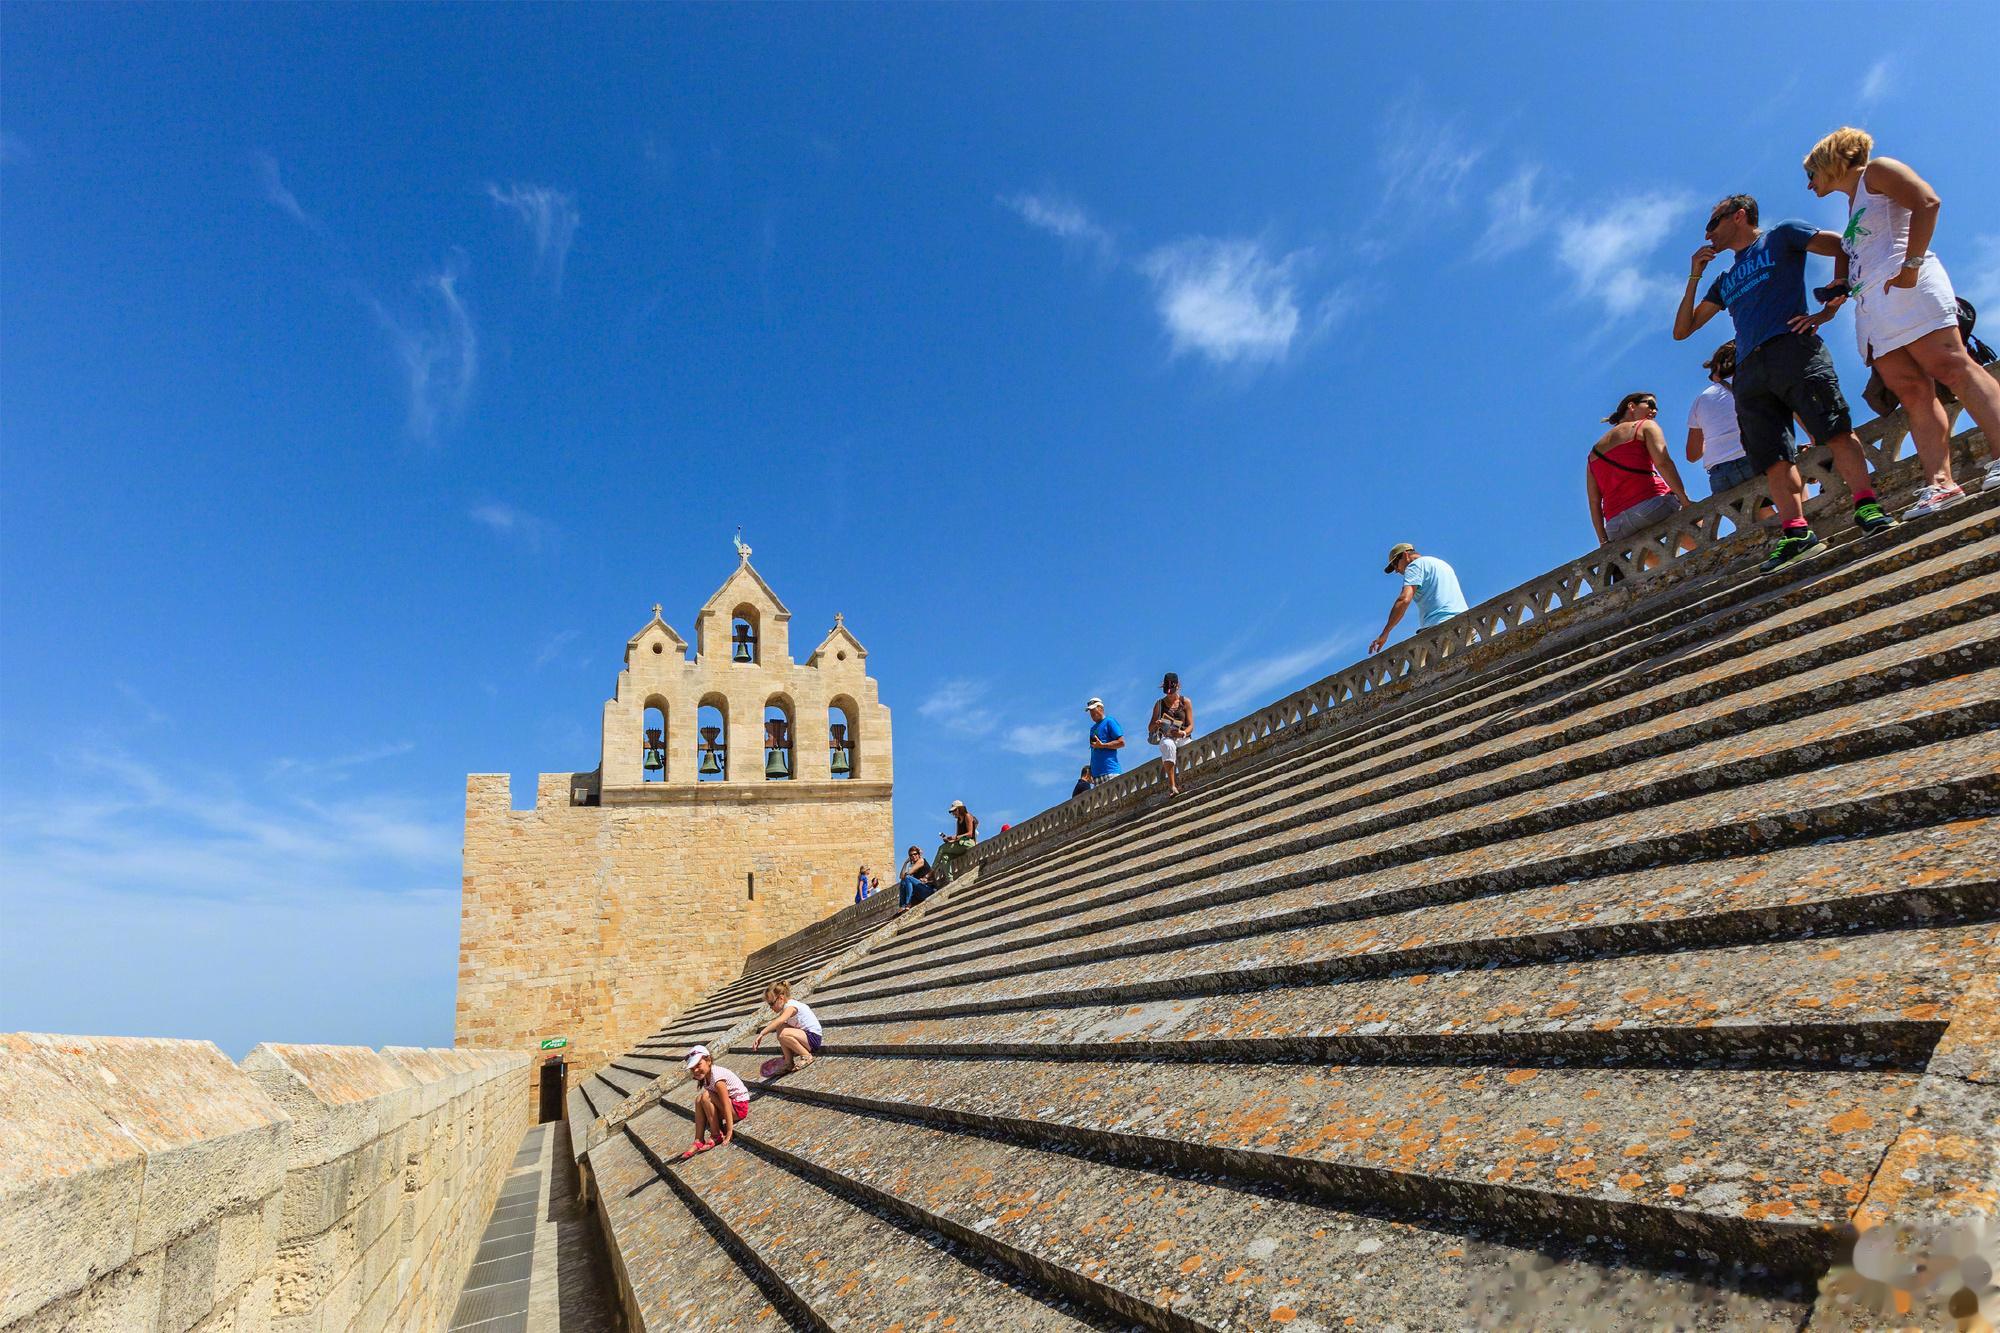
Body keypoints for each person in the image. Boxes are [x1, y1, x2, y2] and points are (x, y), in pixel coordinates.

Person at [1674, 192, 1896, 573]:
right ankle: (1797, 533)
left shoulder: (1783, 235)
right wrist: (1695, 274)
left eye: (1713, 223)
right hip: (1749, 369)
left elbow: (1843, 244)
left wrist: (1829, 305)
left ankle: (1867, 505)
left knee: (1835, 429)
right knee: (1774, 457)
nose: (1707, 232)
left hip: (1793, 348)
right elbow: (1684, 329)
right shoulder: (1724, 280)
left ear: (1739, 216)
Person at [1804, 127, 2000, 515]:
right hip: (1874, 305)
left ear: (1831, 162)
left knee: (1951, 366)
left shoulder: (1877, 170)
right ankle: (1939, 484)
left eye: (1811, 174)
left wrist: (1910, 267)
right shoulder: (1851, 205)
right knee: (1911, 392)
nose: (1809, 186)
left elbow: (1927, 202)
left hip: (1907, 283)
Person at [1587, 391, 1690, 555]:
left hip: (1617, 526)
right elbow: (1663, 463)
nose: (1655, 411)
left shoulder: (1593, 454)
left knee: (1655, 563)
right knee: (1700, 537)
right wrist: (1685, 501)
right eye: (1651, 404)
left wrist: (1604, 540)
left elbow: (1594, 502)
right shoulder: (1645, 426)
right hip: (1653, 506)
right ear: (1632, 406)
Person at [1686, 341, 1763, 496]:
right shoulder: (1758, 380)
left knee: (1755, 516)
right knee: (1792, 485)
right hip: (1757, 457)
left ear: (1718, 369)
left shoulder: (1701, 399)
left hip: (1721, 473)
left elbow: (1692, 454)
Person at [1369, 545, 1469, 655]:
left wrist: (1385, 633)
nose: (1397, 570)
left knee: (1419, 670)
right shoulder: (1442, 564)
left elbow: (1404, 599)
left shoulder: (1414, 566)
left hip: (1439, 629)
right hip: (1466, 626)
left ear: (1405, 555)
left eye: (1395, 565)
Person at [680, 1045, 749, 1158]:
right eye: (692, 1068)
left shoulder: (717, 1078)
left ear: (708, 1060)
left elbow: (726, 1104)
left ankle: (716, 1134)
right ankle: (698, 1140)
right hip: (731, 1107)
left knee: (706, 1096)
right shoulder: (707, 1076)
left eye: (698, 1065)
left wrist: (729, 1131)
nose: (696, 1070)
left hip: (738, 1109)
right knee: (699, 1099)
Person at [751, 981, 822, 1074]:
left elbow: (779, 1020)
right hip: (805, 1038)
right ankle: (788, 1062)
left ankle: (806, 1056)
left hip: (813, 1039)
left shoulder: (791, 1007)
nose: (771, 1008)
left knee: (783, 1033)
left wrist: (762, 1033)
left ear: (781, 998)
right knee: (781, 1027)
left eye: (771, 1004)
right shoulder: (786, 1007)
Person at [1148, 672, 1195, 797]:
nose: (1169, 694)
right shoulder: (1159, 704)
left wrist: (1183, 733)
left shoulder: (1186, 702)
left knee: (1201, 750)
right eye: (1167, 691)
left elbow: (1191, 725)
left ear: (1178, 686)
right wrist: (1158, 724)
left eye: (1171, 691)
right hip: (1168, 736)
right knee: (1168, 746)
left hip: (1183, 736)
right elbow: (1150, 727)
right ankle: (1172, 785)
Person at [933, 800, 978, 883]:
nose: (953, 813)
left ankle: (931, 872)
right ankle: (950, 879)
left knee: (942, 848)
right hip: (960, 844)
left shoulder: (967, 816)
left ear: (960, 809)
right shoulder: (958, 821)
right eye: (952, 811)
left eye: (954, 810)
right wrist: (949, 839)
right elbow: (957, 837)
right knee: (945, 856)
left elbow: (970, 833)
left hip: (968, 843)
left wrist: (956, 837)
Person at [1085, 696, 1124, 785]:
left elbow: (1121, 742)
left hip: (1110, 772)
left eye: (1093, 709)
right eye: (1090, 711)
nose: (1091, 713)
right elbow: (1093, 750)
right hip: (1096, 776)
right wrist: (1090, 771)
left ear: (1101, 708)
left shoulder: (1109, 721)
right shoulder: (1092, 729)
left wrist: (1102, 745)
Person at [895, 845, 934, 909]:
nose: (913, 856)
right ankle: (902, 906)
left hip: (927, 889)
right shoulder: (912, 865)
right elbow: (901, 877)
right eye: (911, 855)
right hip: (918, 892)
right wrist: (905, 863)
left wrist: (906, 875)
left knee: (907, 878)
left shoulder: (921, 860)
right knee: (903, 882)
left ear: (918, 854)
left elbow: (908, 874)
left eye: (915, 854)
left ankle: (908, 903)